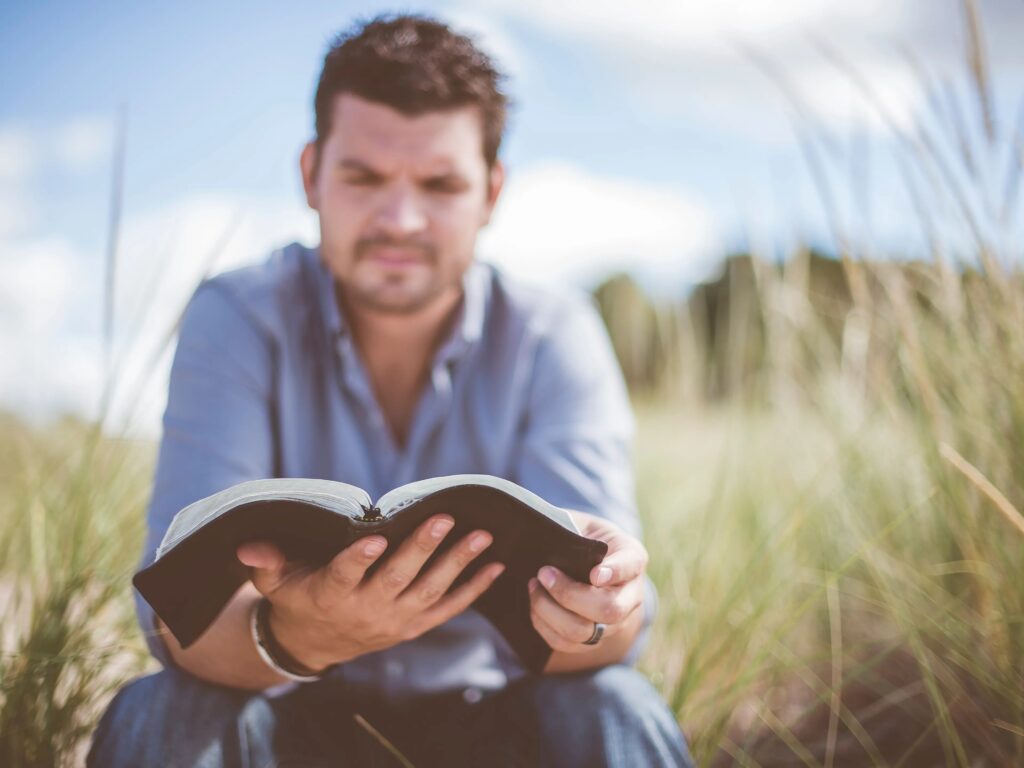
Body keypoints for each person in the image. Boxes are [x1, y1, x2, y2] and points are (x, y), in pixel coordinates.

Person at [89, 13, 693, 768]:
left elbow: (613, 640)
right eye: (364, 178)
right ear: (311, 175)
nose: (401, 220)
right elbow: (176, 625)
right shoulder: (236, 316)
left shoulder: (553, 334)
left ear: (490, 192)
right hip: (286, 713)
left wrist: (602, 611)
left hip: (493, 720)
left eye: (440, 184)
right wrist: (302, 636)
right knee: (163, 711)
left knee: (615, 704)